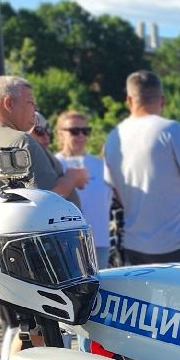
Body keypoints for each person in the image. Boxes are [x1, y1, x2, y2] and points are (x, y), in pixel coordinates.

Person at [103, 71, 180, 264]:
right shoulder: (170, 130)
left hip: (133, 245)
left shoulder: (113, 137)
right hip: (178, 243)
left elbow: (116, 193)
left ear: (129, 100)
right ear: (162, 100)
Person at [0, 75, 81, 209]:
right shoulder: (21, 141)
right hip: (34, 223)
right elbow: (47, 202)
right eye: (30, 102)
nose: (35, 109)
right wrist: (71, 179)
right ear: (9, 103)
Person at [56, 111, 113, 267]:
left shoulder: (100, 165)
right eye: (74, 131)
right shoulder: (55, 164)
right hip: (66, 245)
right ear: (61, 134)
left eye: (85, 131)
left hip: (99, 243)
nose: (81, 135)